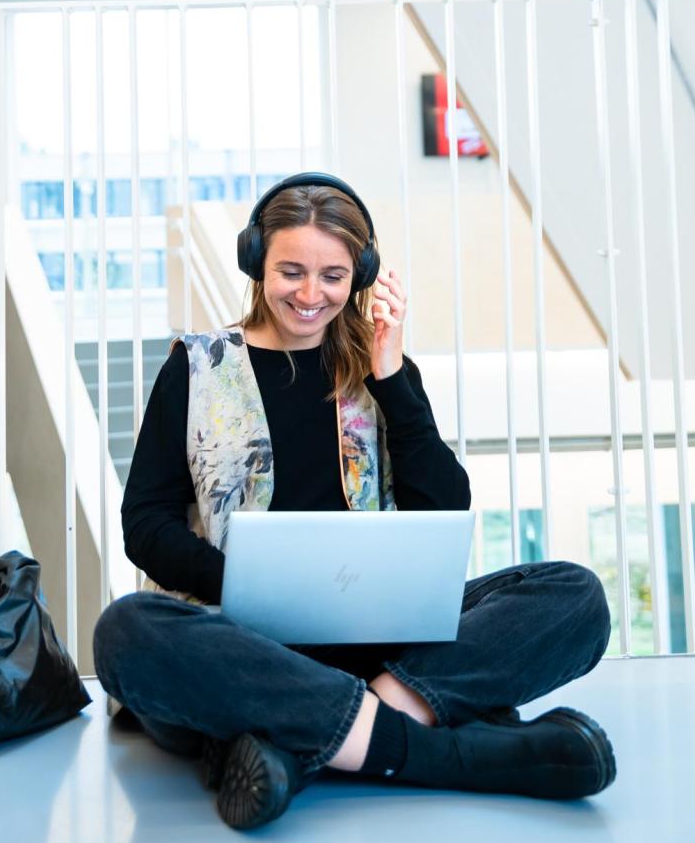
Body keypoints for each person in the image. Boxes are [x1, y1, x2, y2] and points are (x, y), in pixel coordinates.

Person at [93, 173, 615, 830]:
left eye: (333, 276)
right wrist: (246, 585)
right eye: (291, 272)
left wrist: (390, 375)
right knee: (127, 631)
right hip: (243, 645)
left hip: (376, 641)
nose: (311, 295)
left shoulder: (382, 367)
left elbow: (441, 511)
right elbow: (146, 524)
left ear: (359, 276)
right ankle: (441, 750)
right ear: (257, 264)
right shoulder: (196, 367)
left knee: (574, 595)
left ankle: (297, 741)